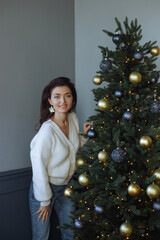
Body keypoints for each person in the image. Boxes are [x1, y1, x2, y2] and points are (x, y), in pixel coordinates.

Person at [29, 77, 91, 240]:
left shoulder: (72, 119)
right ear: (50, 100)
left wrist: (84, 136)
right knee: (41, 236)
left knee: (70, 232)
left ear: (73, 98)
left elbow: (71, 148)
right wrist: (44, 201)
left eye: (67, 95)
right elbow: (38, 167)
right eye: (57, 96)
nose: (62, 101)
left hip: (66, 187)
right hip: (44, 188)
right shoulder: (47, 131)